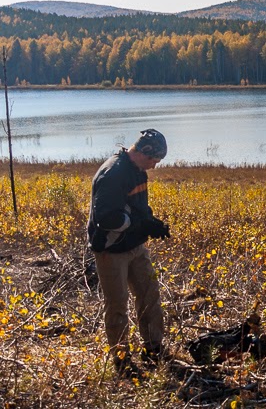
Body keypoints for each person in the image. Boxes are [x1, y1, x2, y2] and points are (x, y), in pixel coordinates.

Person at [87, 128, 171, 376]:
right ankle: (121, 360)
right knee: (117, 306)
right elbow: (107, 218)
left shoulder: (138, 170)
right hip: (111, 250)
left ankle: (154, 348)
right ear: (144, 152)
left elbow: (137, 207)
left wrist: (152, 222)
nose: (154, 166)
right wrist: (139, 225)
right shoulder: (113, 174)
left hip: (135, 245)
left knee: (150, 294)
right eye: (154, 160)